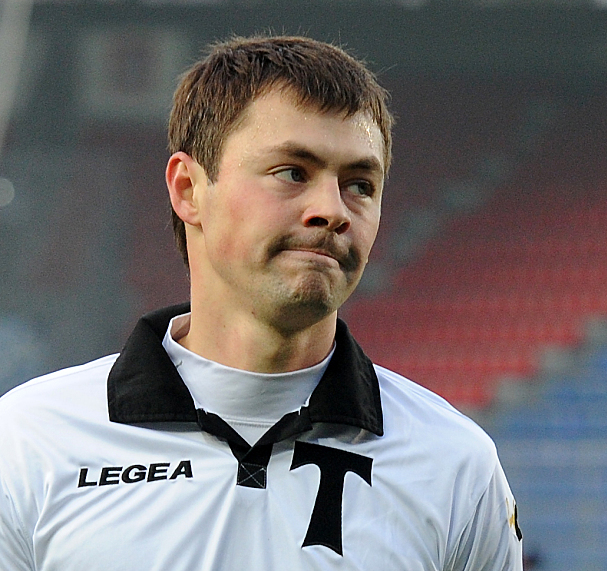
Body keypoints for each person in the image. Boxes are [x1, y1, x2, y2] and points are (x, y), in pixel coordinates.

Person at [0, 35, 523, 570]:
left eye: (360, 185)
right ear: (188, 189)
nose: (332, 210)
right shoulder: (28, 443)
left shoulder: (455, 466)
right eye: (292, 173)